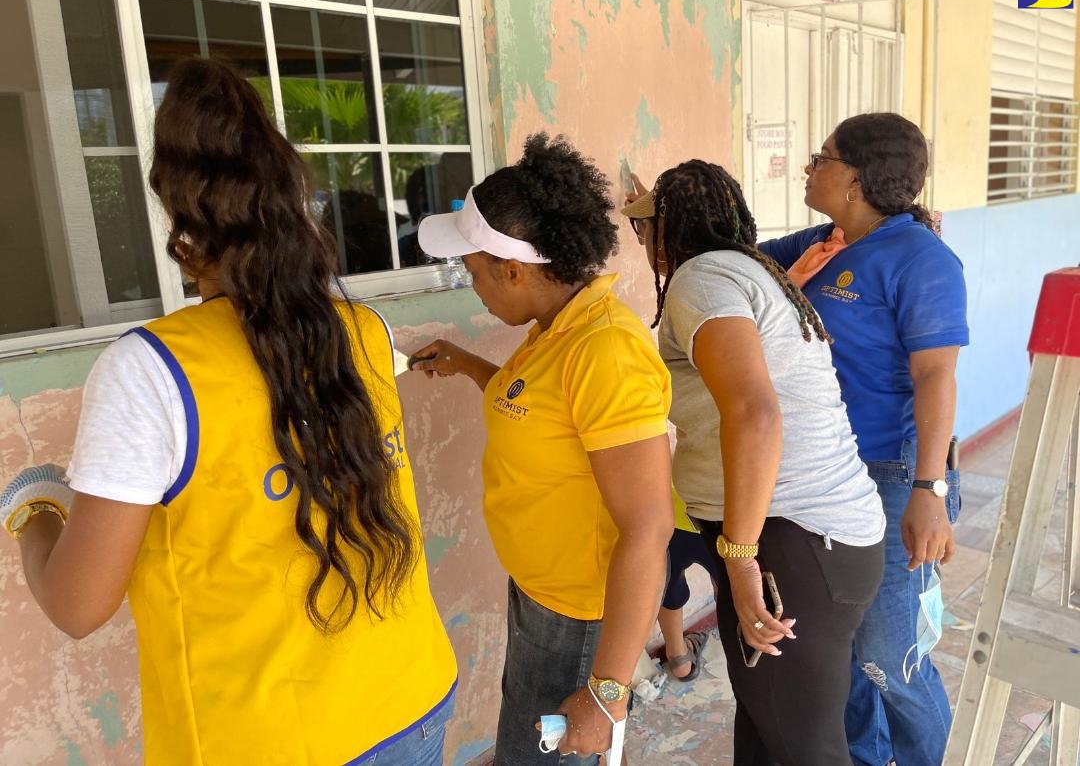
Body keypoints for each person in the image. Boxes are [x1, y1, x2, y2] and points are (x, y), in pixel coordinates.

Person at [0, 58, 457, 765]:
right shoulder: (362, 331)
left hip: (267, 743)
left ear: (182, 224)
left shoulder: (150, 370)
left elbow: (77, 605)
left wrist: (33, 512)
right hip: (413, 696)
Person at [409, 133, 674, 765]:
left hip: (581, 621)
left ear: (514, 270)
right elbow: (541, 412)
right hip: (541, 596)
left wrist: (608, 691)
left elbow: (648, 525)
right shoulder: (555, 329)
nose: (473, 289)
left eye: (474, 274)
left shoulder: (604, 350)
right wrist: (472, 366)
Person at [622, 160, 886, 765]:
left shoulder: (700, 280)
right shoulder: (751, 273)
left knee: (804, 747)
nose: (644, 246)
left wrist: (740, 560)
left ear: (670, 229)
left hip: (793, 541)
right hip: (819, 540)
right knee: (768, 730)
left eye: (646, 231)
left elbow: (755, 413)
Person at [758, 112, 967, 766]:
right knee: (839, 652)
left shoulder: (921, 259)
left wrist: (929, 489)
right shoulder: (825, 240)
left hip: (893, 478)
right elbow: (743, 268)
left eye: (820, 157)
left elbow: (935, 375)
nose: (808, 168)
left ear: (853, 177)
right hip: (824, 475)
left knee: (888, 658)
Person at [657, 489, 716, 681]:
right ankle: (740, 649)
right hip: (716, 515)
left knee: (667, 585)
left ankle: (679, 660)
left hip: (664, 510)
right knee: (730, 587)